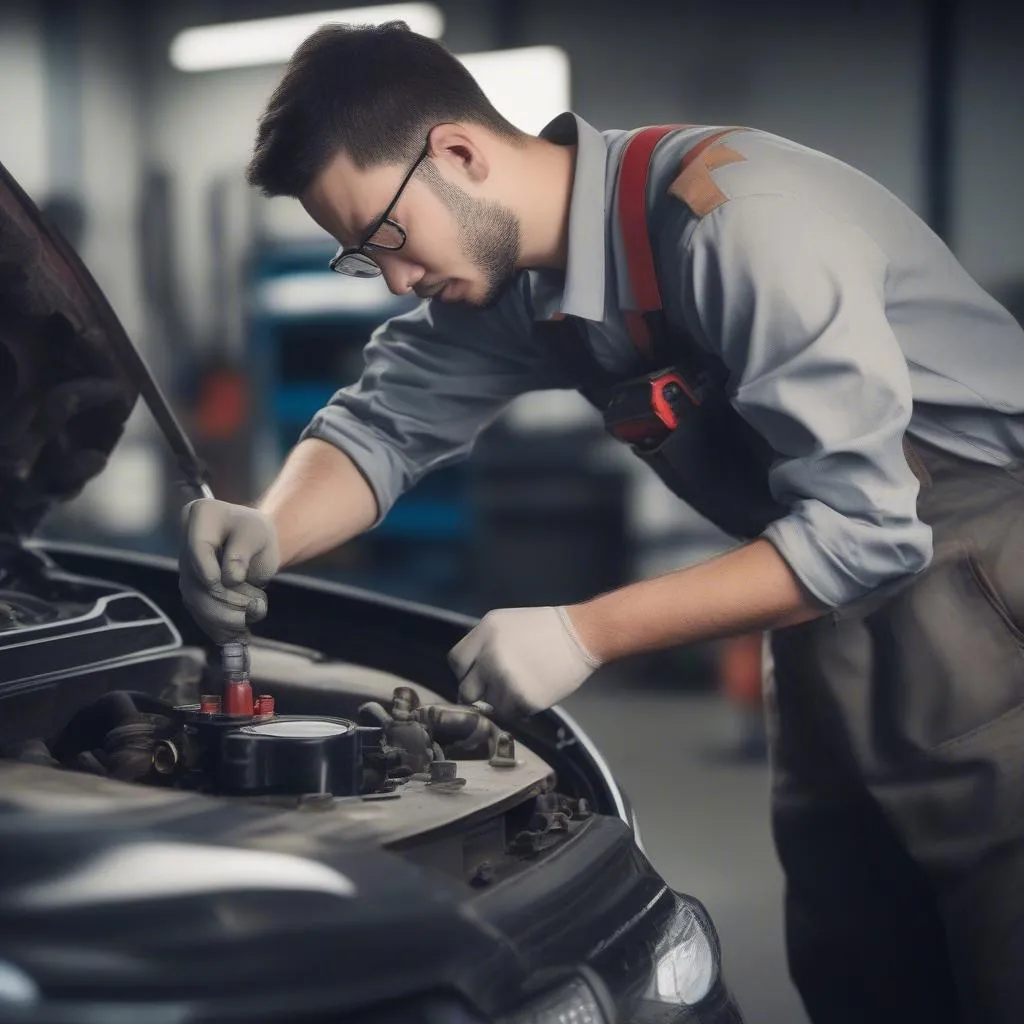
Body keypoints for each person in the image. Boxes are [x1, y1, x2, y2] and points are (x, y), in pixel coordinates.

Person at [178, 20, 1024, 1024]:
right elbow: (383, 423)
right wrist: (269, 529)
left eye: (390, 239)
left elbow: (869, 530)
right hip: (812, 597)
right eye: (366, 258)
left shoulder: (739, 223)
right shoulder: (525, 283)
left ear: (457, 151)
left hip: (972, 580)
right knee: (856, 948)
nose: (397, 280)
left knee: (998, 940)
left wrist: (587, 631)